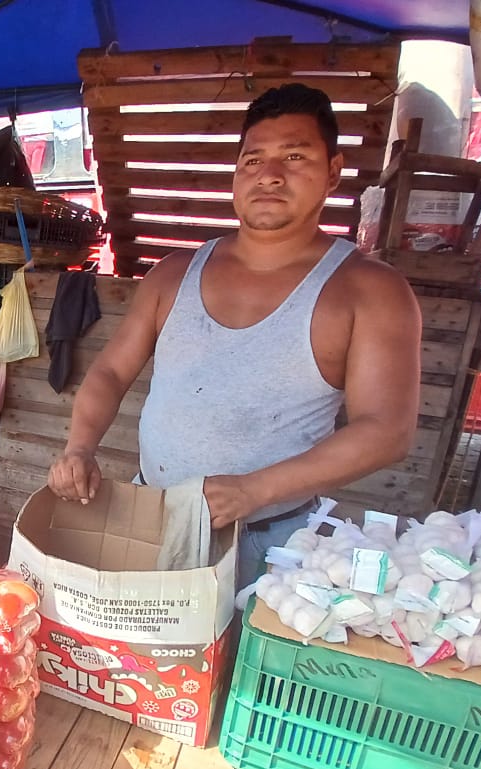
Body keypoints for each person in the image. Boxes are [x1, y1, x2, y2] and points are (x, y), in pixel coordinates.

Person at [48, 83, 422, 590]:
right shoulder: (173, 273)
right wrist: (79, 448)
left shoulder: (369, 291)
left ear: (333, 170)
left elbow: (386, 431)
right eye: (253, 160)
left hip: (271, 542)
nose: (270, 175)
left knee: (234, 668)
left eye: (295, 155)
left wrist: (254, 490)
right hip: (152, 517)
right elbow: (112, 371)